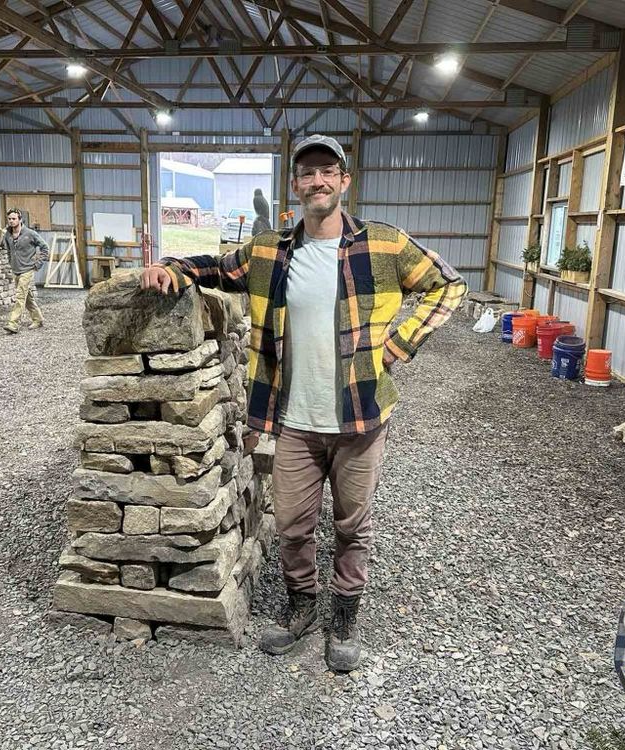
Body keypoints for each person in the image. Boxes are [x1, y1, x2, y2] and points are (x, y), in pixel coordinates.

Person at [140, 134, 467, 671]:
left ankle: (344, 616)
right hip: (292, 421)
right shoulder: (270, 251)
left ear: (344, 180)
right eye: (307, 173)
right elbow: (216, 267)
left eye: (327, 171)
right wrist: (172, 268)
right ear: (295, 184)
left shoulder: (382, 245)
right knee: (292, 524)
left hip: (359, 417)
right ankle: (302, 608)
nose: (318, 181)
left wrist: (397, 345)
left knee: (350, 525)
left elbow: (448, 286)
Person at [1, 208, 49, 334]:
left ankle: (13, 323)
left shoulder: (30, 234)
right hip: (16, 270)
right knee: (27, 298)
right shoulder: (7, 234)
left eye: (14, 219)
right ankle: (38, 319)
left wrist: (38, 264)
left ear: (20, 220)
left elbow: (45, 248)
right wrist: (11, 263)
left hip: (27, 270)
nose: (11, 221)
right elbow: (9, 251)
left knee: (20, 296)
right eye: (9, 219)